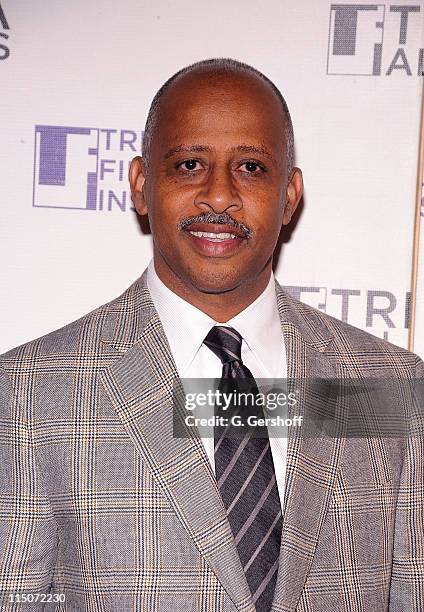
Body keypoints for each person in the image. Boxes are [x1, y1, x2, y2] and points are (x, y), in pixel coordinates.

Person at [0, 58, 423, 612]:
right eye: (189, 164)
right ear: (142, 184)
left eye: (250, 167)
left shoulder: (388, 389)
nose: (219, 196)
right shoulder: (29, 393)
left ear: (290, 196)